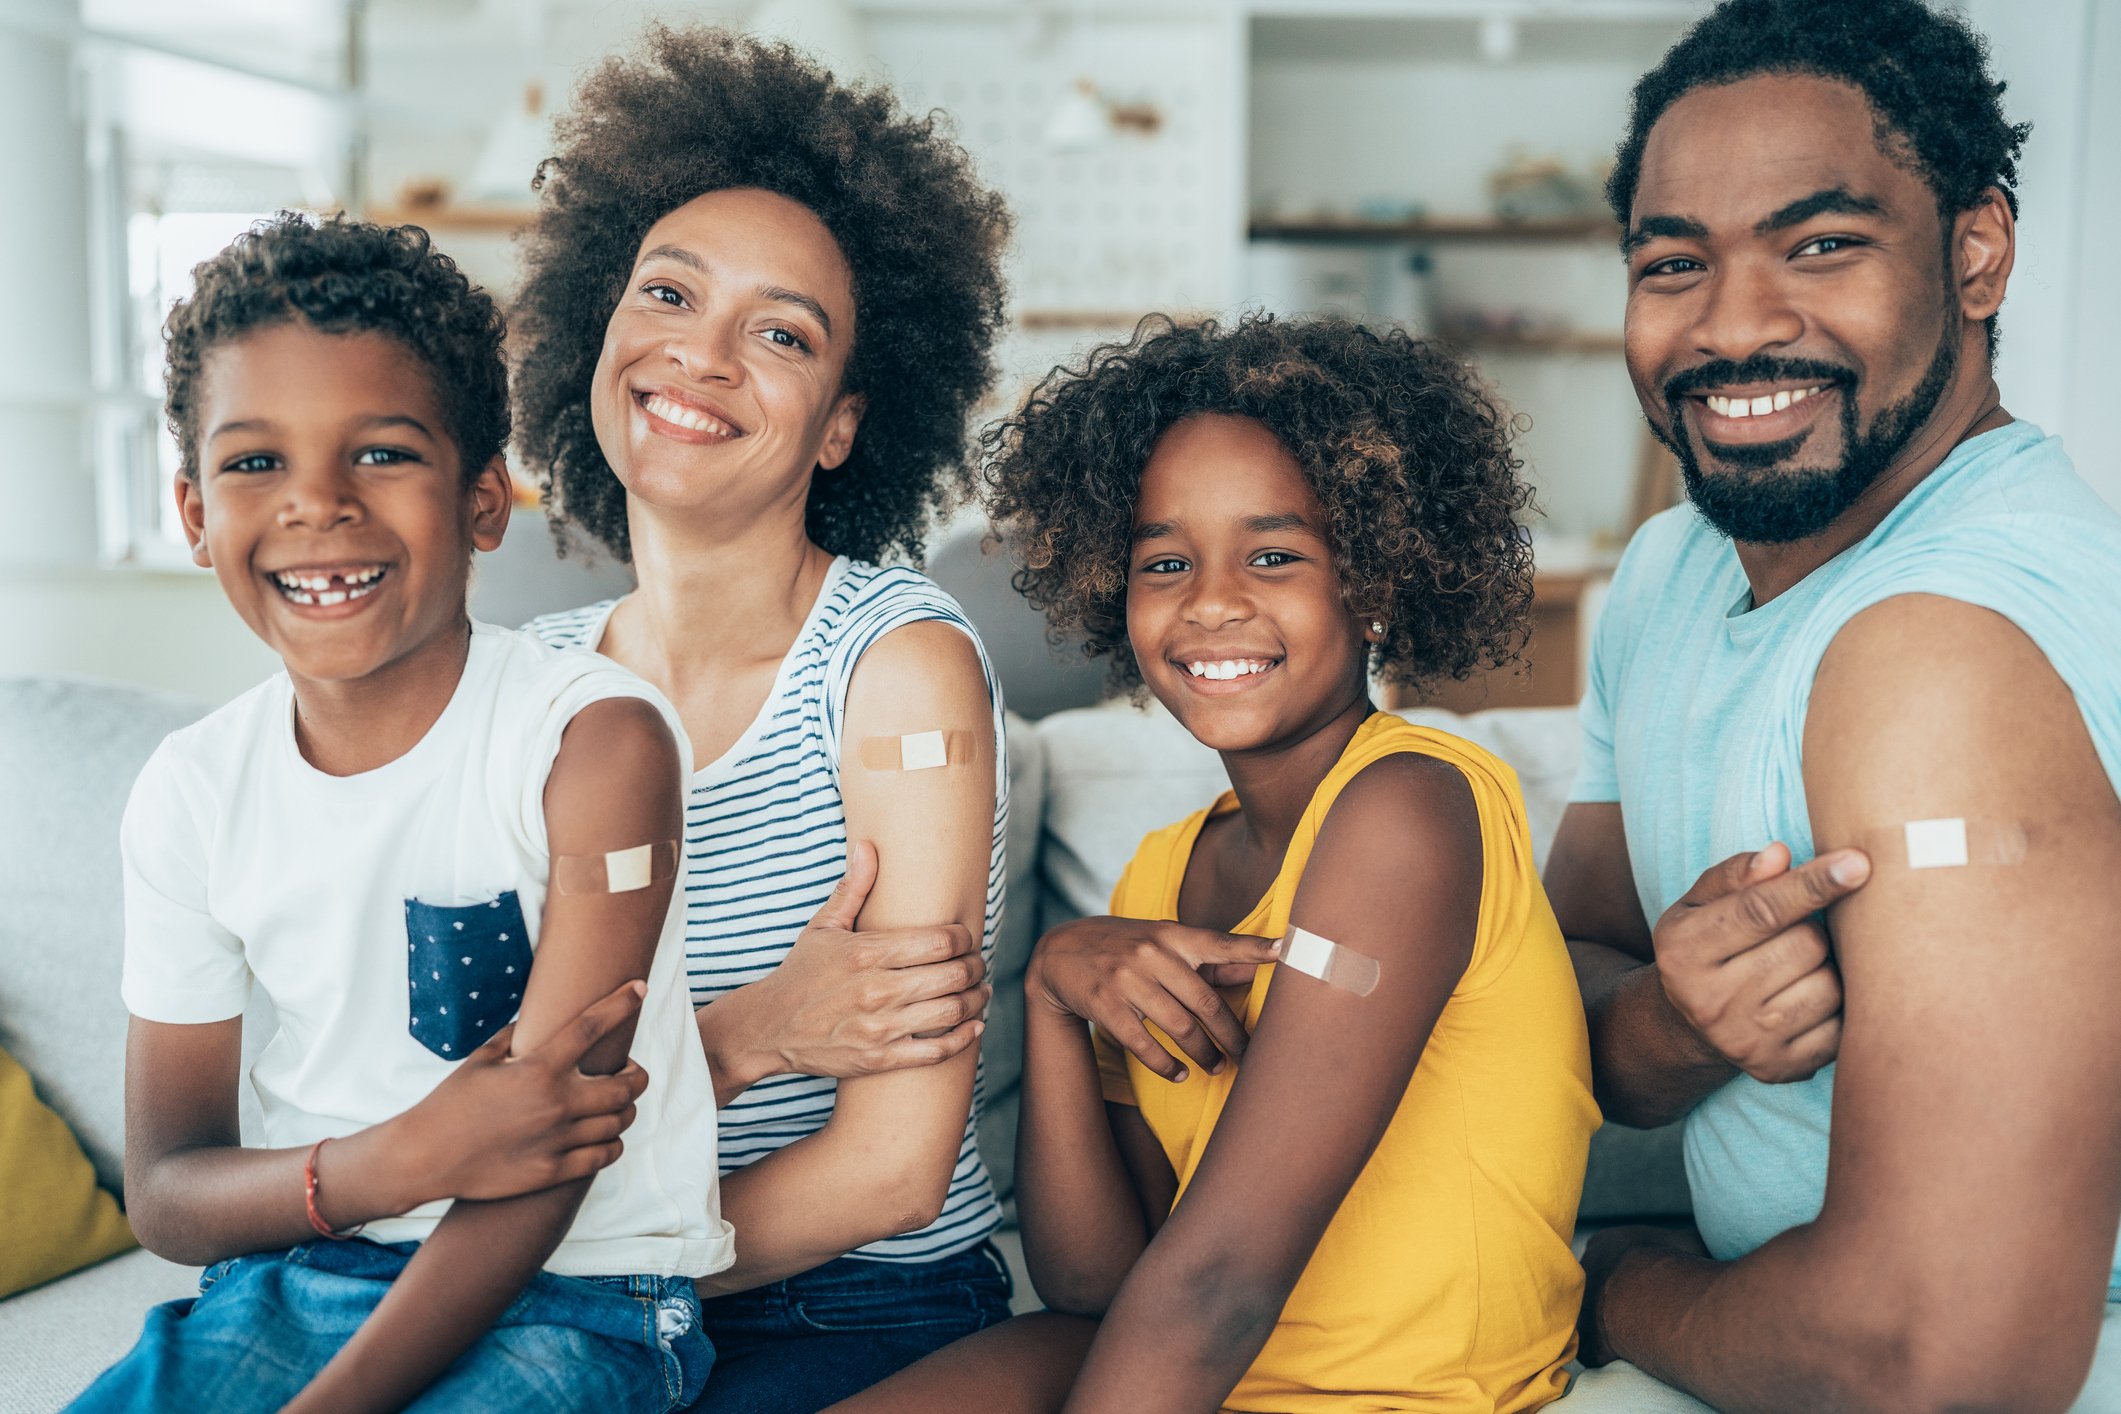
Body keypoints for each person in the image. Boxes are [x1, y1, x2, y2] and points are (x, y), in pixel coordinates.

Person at [829, 315, 1599, 1414]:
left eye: (1274, 555)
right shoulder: (1162, 872)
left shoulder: (1410, 810)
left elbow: (1220, 1280)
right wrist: (1051, 990)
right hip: (1198, 1369)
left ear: (1374, 582)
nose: (1211, 602)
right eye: (1166, 562)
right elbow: (1101, 1279)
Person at [1549, 2, 2121, 1409]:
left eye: (1821, 245)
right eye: (1675, 262)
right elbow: (1563, 959)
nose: (1735, 327)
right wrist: (1672, 1028)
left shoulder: (1939, 651)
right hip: (1773, 1340)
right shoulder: (1675, 571)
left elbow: (1941, 1360)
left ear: (1975, 252)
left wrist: (1616, 1285)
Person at [69, 214, 730, 1413]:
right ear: (193, 513)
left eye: (379, 453)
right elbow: (167, 1190)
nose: (317, 507)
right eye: (255, 463)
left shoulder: (595, 744)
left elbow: (550, 1148)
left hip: (582, 1296)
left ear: (486, 501)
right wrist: (398, 1160)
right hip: (300, 1274)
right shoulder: (192, 790)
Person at [508, 28, 1016, 1412]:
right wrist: (758, 1027)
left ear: (844, 425)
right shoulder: (530, 686)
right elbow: (490, 1101)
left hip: (853, 1300)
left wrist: (567, 1252)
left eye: (780, 333)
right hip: (580, 1281)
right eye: (666, 293)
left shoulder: (897, 670)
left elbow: (891, 1167)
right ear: (597, 332)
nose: (702, 355)